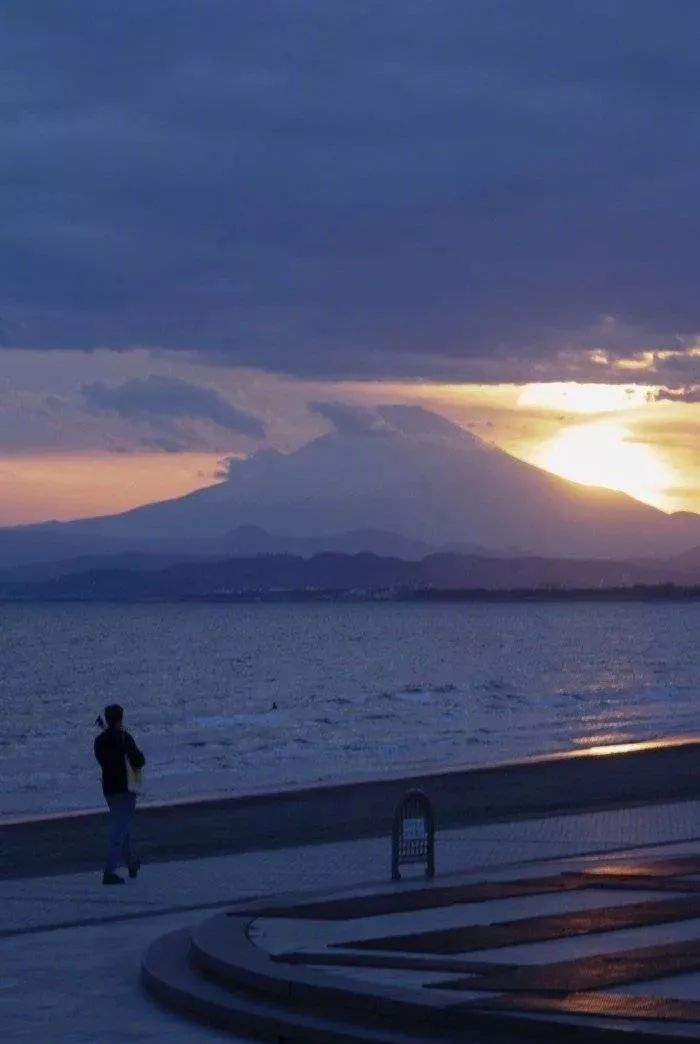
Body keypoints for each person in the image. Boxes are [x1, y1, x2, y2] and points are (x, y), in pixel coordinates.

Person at [94, 704, 146, 885]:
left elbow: (102, 760)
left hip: (109, 789)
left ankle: (132, 863)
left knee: (122, 827)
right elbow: (139, 760)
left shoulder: (100, 741)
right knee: (119, 830)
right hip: (126, 789)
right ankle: (109, 871)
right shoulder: (125, 738)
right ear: (120, 718)